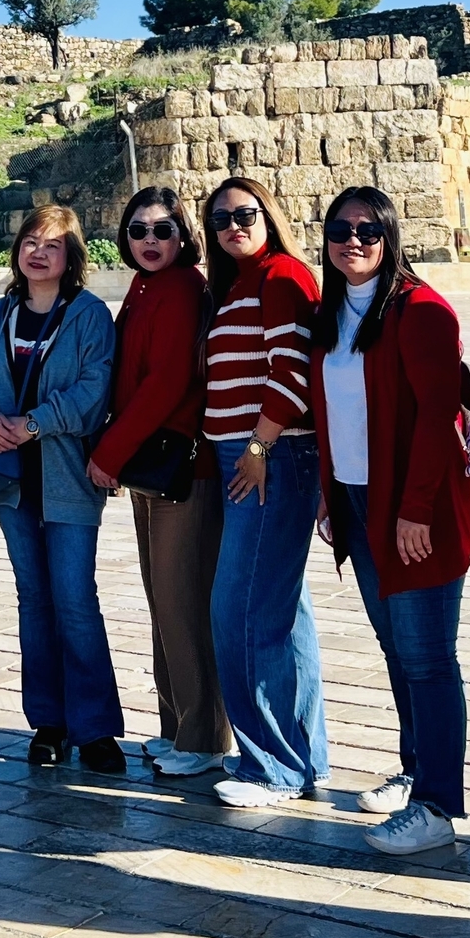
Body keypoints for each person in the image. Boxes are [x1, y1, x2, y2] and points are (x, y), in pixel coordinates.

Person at [306, 188, 470, 857]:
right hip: (357, 502)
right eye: (340, 229)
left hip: (414, 508)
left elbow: (438, 418)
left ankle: (437, 804)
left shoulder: (420, 311)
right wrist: (329, 492)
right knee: (396, 649)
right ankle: (416, 772)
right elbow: (335, 412)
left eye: (368, 230)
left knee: (428, 657)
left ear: (390, 236)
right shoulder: (331, 314)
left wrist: (414, 508)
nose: (353, 240)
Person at [0, 206, 123, 772]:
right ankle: (49, 723)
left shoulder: (88, 315)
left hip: (67, 480)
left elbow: (93, 392)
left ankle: (95, 729)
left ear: (71, 255)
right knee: (33, 599)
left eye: (53, 244)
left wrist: (32, 423)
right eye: (31, 241)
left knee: (75, 600)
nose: (39, 252)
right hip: (11, 486)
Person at [87, 187, 231, 778]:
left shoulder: (179, 289)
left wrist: (109, 454)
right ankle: (177, 726)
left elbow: (167, 384)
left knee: (182, 603)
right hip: (153, 465)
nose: (149, 240)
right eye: (138, 230)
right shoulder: (149, 286)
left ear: (183, 236)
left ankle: (203, 737)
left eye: (162, 230)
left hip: (180, 469)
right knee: (162, 601)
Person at [198, 177, 327, 809]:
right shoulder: (242, 283)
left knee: (241, 611)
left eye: (245, 214)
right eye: (220, 219)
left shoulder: (279, 276)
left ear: (268, 216)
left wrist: (258, 447)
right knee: (279, 610)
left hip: (270, 455)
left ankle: (272, 767)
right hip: (250, 454)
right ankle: (301, 756)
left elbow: (292, 373)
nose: (233, 226)